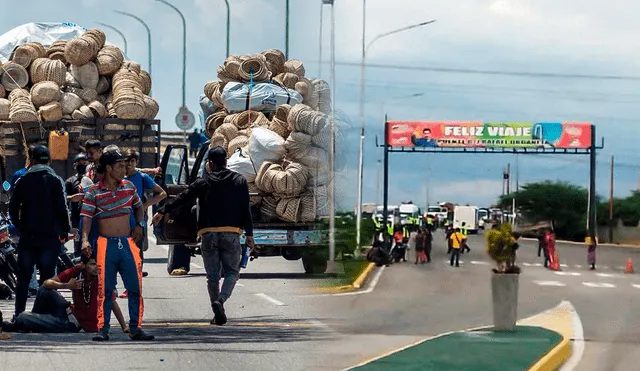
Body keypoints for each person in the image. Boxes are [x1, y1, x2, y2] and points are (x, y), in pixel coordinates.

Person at [152, 146, 255, 326]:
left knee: (212, 276)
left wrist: (162, 210)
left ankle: (217, 313)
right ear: (226, 162)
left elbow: (182, 197)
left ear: (210, 164)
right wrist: (250, 235)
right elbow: (246, 210)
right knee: (232, 272)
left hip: (207, 235)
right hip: (232, 234)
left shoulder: (203, 182)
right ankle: (221, 301)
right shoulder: (239, 180)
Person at [80, 146, 154, 341]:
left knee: (135, 288)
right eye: (120, 166)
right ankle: (103, 330)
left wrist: (140, 224)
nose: (124, 169)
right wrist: (85, 240)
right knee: (105, 290)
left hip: (128, 244)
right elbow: (86, 218)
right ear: (109, 169)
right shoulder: (93, 192)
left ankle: (135, 328)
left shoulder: (129, 187)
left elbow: (139, 208)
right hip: (105, 246)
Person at [9, 145, 75, 318]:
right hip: (49, 238)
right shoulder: (55, 180)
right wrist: (65, 230)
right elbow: (62, 209)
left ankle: (19, 314)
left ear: (32, 160)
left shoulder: (22, 181)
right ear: (50, 161)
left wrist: (21, 227)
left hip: (28, 239)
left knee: (23, 278)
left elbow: (13, 209)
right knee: (47, 279)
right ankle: (42, 314)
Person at [1, 256, 128, 334]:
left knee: (23, 316)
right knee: (44, 290)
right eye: (93, 264)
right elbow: (47, 283)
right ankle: (31, 322)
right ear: (83, 265)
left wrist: (124, 327)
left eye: (99, 264)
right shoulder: (77, 272)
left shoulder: (103, 280)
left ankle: (25, 323)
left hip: (73, 323)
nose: (96, 268)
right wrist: (66, 286)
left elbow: (113, 304)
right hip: (69, 310)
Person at [119, 149, 167, 296]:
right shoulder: (117, 177)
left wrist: (144, 206)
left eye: (132, 162)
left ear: (136, 162)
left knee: (137, 255)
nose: (129, 165)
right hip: (119, 223)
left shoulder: (142, 177)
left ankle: (133, 288)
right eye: (127, 162)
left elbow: (162, 193)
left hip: (137, 223)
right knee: (123, 257)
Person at [65, 153, 90, 257]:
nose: (82, 165)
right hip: (77, 215)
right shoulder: (70, 181)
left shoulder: (91, 179)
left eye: (84, 163)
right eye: (80, 163)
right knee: (78, 241)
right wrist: (73, 198)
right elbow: (64, 197)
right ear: (74, 165)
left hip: (90, 215)